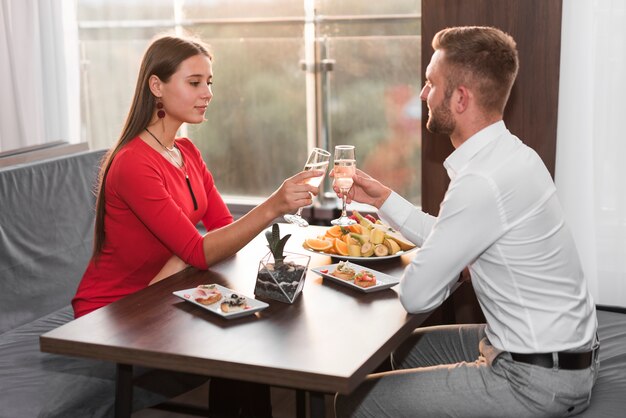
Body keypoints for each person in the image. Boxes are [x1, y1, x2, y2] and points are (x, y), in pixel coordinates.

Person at [334, 26, 599, 417]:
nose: (422, 94)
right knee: (404, 350)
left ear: (460, 98)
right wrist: (384, 199)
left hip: (538, 381)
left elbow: (416, 294)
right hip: (557, 355)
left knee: (354, 403)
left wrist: (451, 269)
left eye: (430, 83)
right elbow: (449, 238)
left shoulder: (482, 181)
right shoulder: (510, 155)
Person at [72, 33, 321, 417]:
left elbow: (221, 226)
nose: (207, 92)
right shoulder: (134, 163)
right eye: (194, 83)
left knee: (247, 336)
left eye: (209, 82)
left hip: (164, 291)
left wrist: (185, 259)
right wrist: (274, 204)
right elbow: (199, 250)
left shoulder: (186, 151)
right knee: (242, 342)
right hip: (117, 309)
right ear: (156, 86)